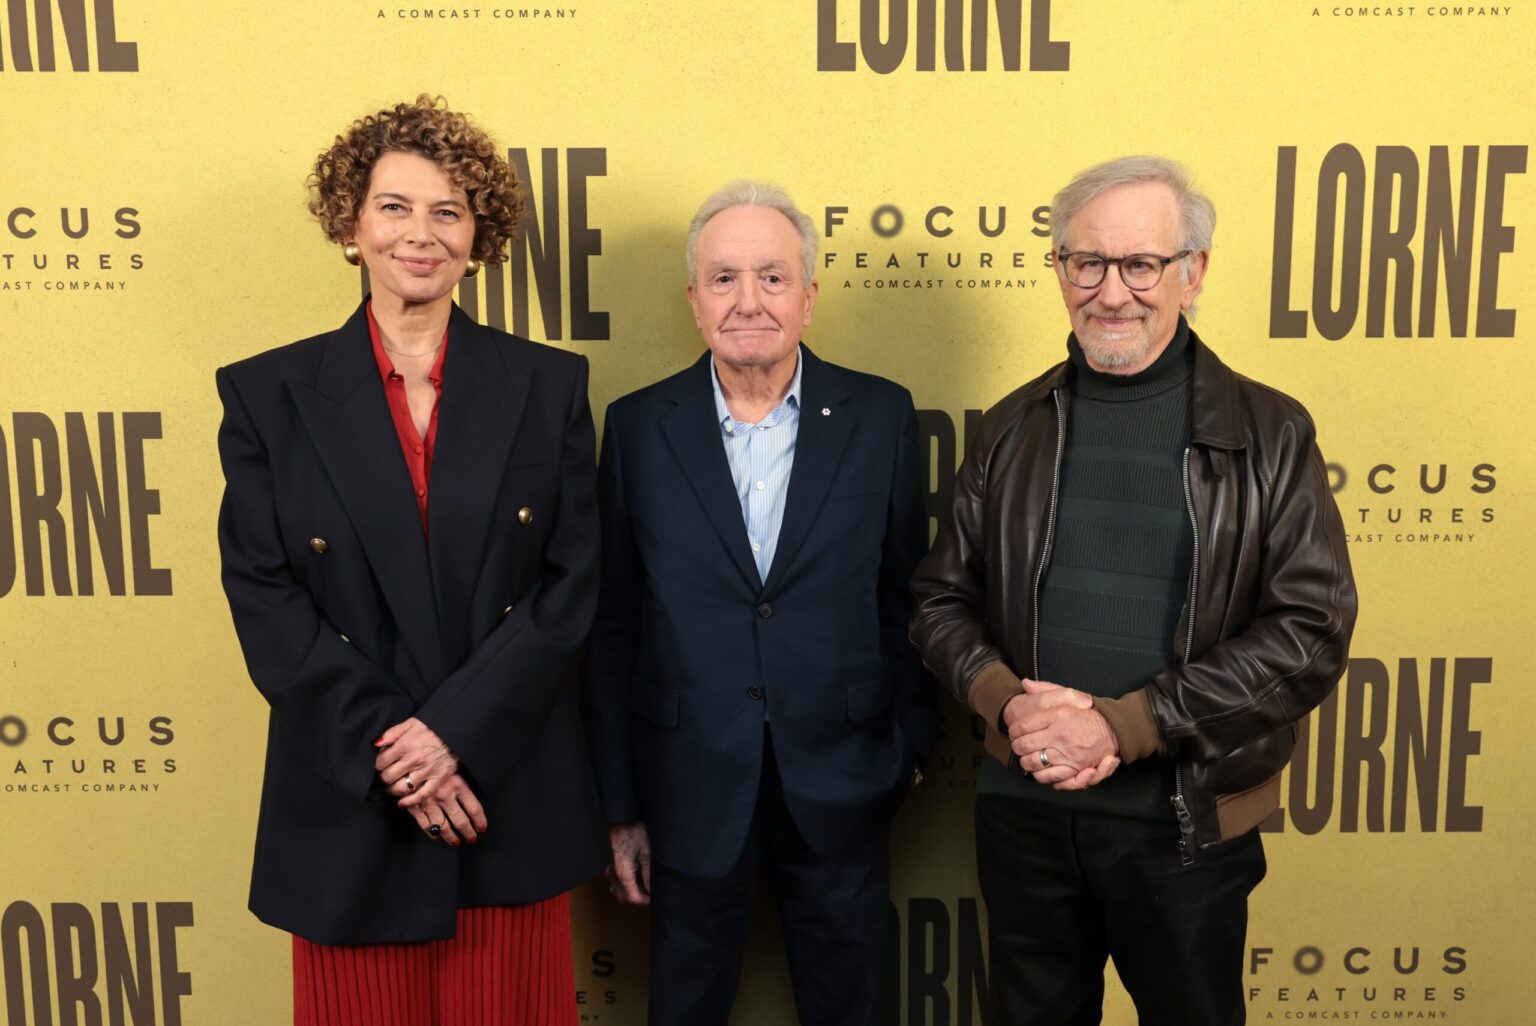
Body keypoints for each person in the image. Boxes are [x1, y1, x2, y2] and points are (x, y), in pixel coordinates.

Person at [910, 155, 1357, 1026]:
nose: (1112, 293)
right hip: (1025, 816)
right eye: (1088, 263)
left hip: (1184, 829)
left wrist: (1126, 724)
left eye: (1141, 264)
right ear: (1059, 269)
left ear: (1194, 272)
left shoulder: (1269, 433)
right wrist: (1008, 703)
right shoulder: (1009, 428)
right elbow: (938, 602)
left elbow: (1311, 629)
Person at [216, 95, 607, 1026]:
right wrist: (396, 751)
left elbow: (570, 586)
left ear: (478, 237)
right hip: (352, 803)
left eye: (448, 211)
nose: (419, 234)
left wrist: (454, 736)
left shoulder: (549, 385)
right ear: (351, 226)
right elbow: (265, 596)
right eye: (394, 207)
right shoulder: (268, 394)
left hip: (505, 796)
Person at [584, 180, 937, 1025]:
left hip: (845, 779)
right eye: (725, 279)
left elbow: (909, 598)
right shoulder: (636, 428)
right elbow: (613, 628)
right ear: (694, 300)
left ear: (808, 296)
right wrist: (621, 809)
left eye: (773, 278)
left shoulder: (880, 415)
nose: (749, 301)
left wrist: (904, 750)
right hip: (687, 787)